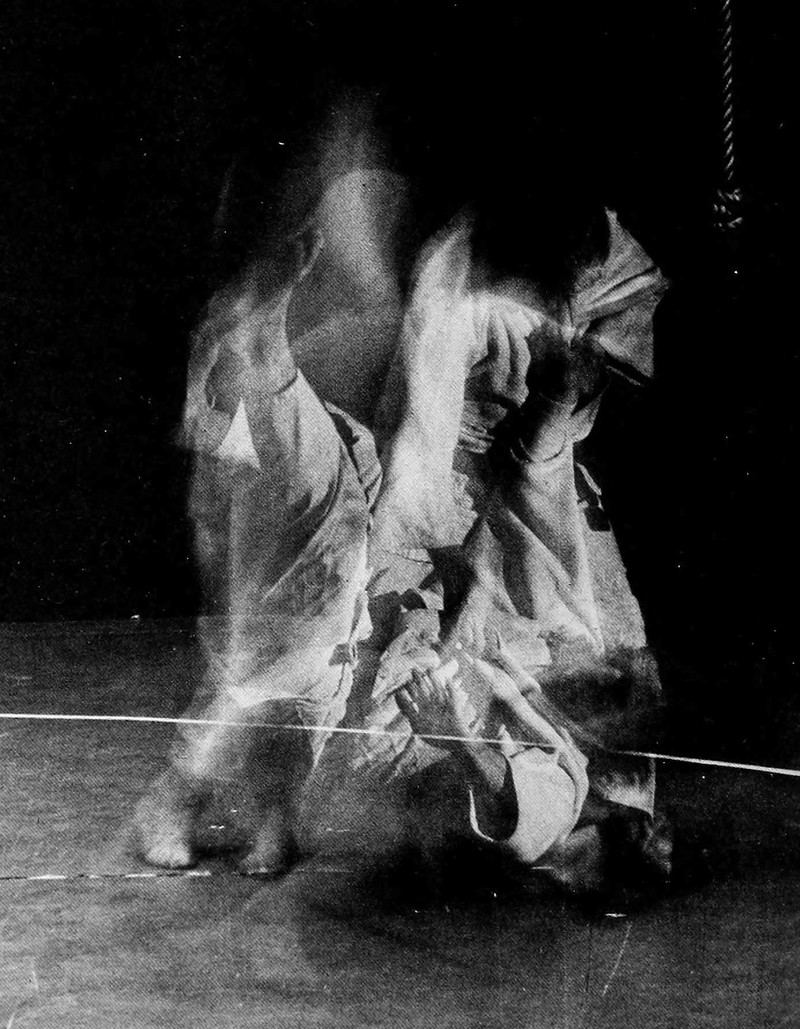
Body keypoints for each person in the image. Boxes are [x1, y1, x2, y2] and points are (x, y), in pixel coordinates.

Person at [134, 225, 670, 901]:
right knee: (339, 513)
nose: (662, 839)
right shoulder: (611, 760)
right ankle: (269, 358)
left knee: (318, 571)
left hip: (390, 682)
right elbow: (537, 546)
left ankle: (197, 790)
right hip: (440, 569)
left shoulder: (560, 814)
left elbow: (517, 814)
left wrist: (457, 732)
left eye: (652, 849)